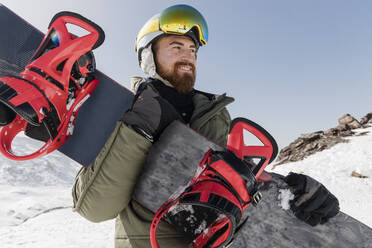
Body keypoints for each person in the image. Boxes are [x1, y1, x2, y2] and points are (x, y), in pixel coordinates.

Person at [71, 4, 339, 248]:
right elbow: (95, 208)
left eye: (192, 50)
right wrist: (138, 126)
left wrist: (291, 192)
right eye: (176, 47)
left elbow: (234, 184)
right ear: (148, 56)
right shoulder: (121, 111)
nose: (188, 56)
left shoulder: (214, 115)